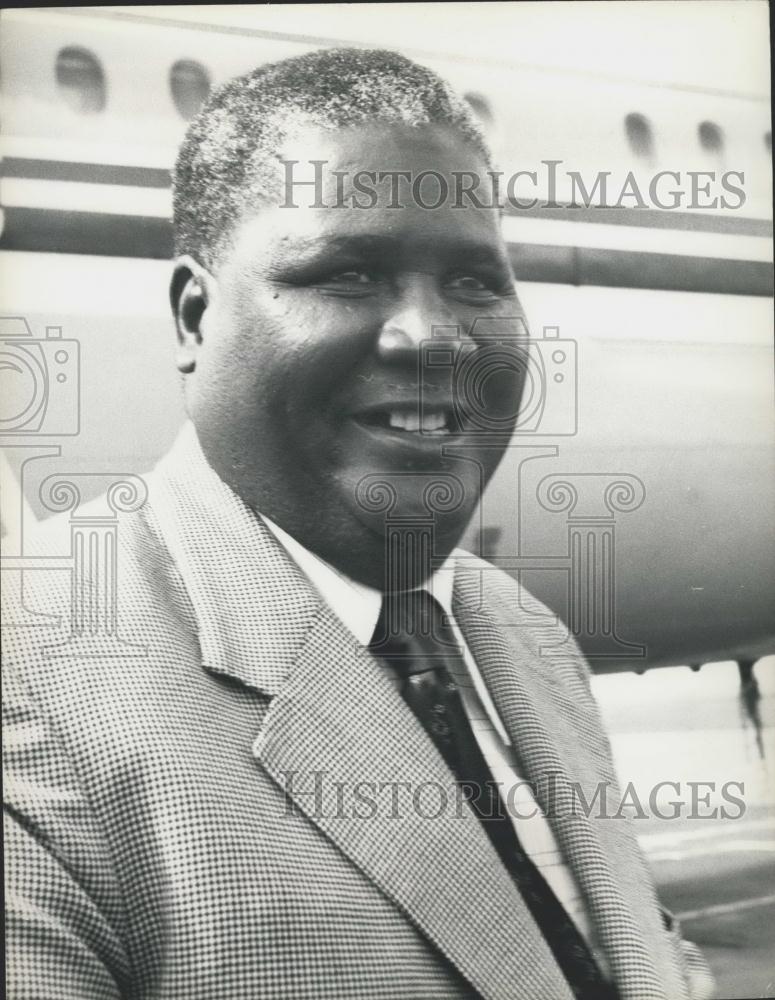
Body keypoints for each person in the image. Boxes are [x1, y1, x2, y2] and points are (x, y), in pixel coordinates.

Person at [3, 48, 713, 1000]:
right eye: (347, 274)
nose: (432, 335)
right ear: (193, 317)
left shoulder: (519, 635)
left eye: (474, 283)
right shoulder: (33, 676)